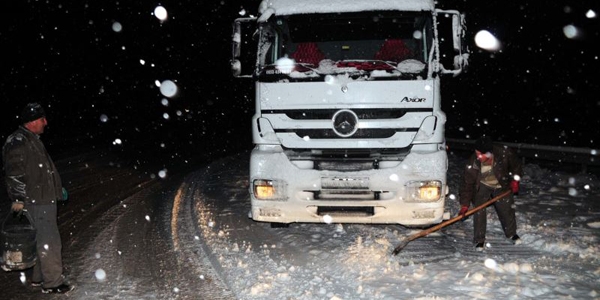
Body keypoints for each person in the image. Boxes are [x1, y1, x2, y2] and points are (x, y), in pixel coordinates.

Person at [2, 103, 74, 294]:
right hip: (36, 201)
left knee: (40, 239)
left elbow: (41, 172)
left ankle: (39, 278)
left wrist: (58, 190)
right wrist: (18, 200)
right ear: (33, 121)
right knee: (49, 241)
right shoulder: (18, 141)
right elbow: (14, 174)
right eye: (42, 119)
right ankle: (53, 283)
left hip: (41, 199)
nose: (46, 122)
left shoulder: (31, 139)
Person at [458, 136, 523, 250]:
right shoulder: (472, 163)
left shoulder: (504, 153)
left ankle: (511, 234)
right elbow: (466, 185)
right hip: (482, 185)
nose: (478, 156)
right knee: (479, 210)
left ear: (489, 153)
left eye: (481, 154)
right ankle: (479, 240)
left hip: (501, 183)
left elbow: (516, 166)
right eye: (477, 153)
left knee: (506, 208)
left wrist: (515, 181)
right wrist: (464, 205)